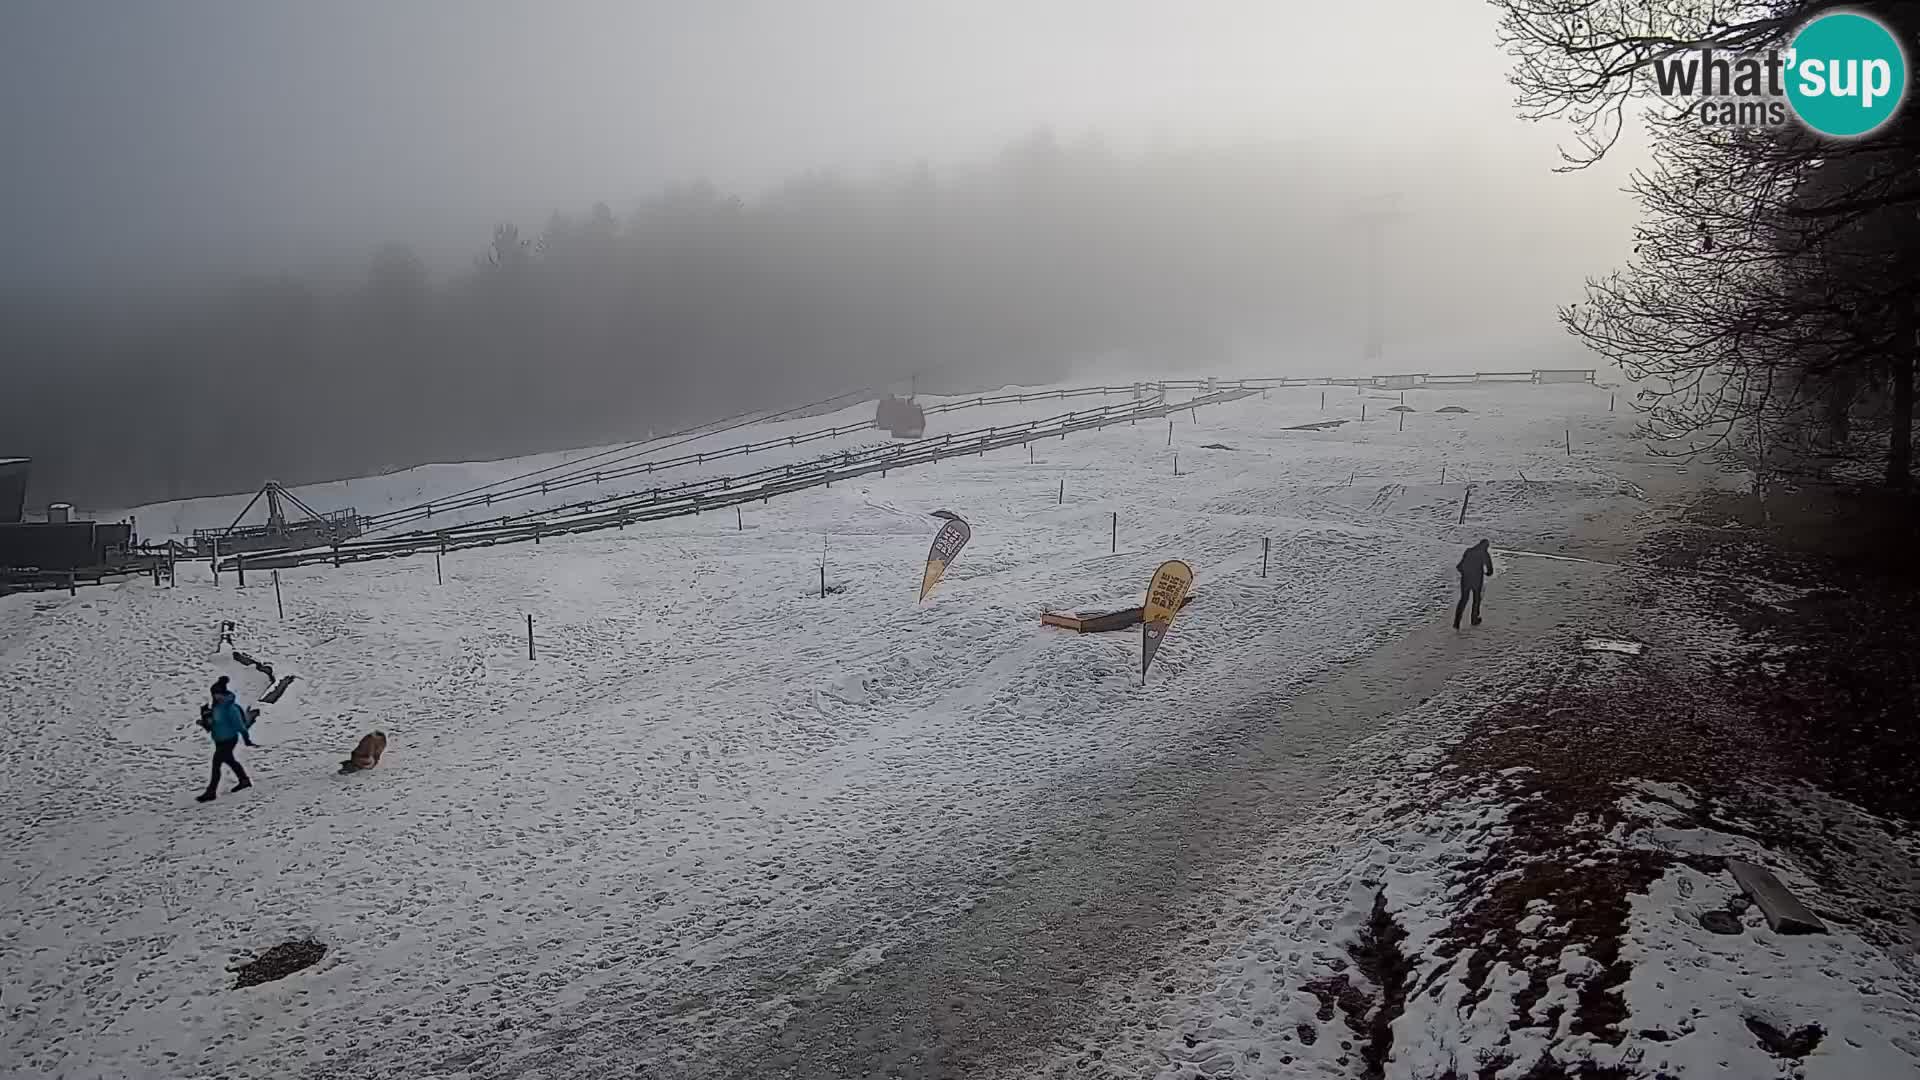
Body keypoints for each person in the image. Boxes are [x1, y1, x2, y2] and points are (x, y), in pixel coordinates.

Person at [199, 687, 253, 802]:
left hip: (229, 740)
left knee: (216, 764)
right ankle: (244, 780)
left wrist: (246, 738)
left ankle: (211, 791)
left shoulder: (231, 708)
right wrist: (205, 722)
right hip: (220, 740)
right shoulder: (218, 707)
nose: (215, 696)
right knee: (230, 760)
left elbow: (239, 724)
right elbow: (216, 724)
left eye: (217, 694)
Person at [1454, 539, 1495, 629]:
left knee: (1463, 600)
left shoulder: (1469, 551)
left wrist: (1465, 573)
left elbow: (1459, 567)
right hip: (1476, 581)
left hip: (1465, 580)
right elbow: (1490, 570)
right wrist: (1486, 573)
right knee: (1476, 600)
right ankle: (1474, 619)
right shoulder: (1484, 554)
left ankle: (1457, 622)